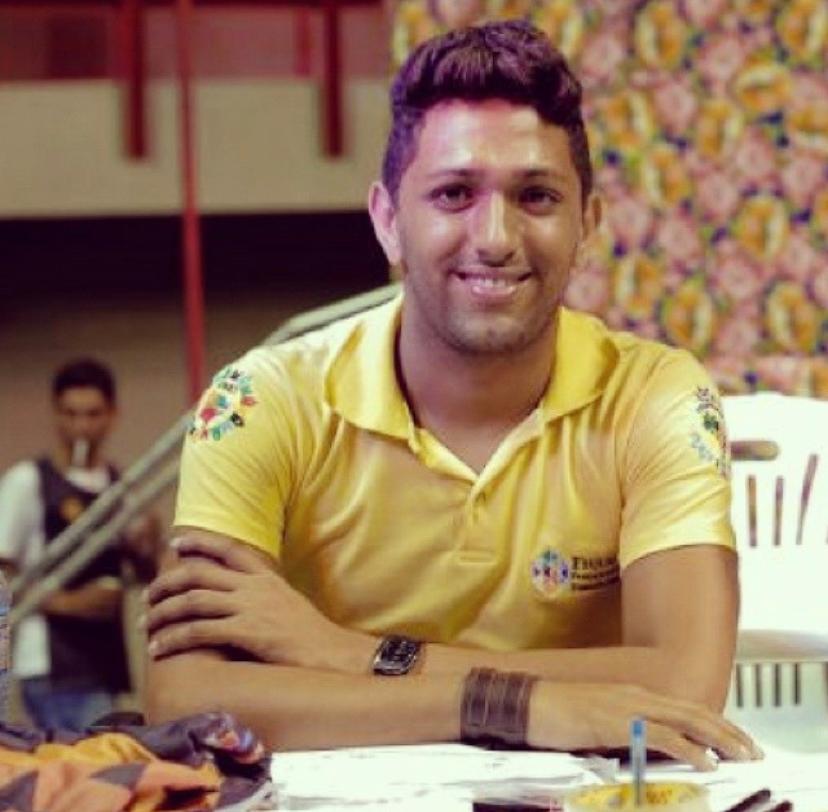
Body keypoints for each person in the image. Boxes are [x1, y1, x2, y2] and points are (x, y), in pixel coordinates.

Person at [144, 21, 760, 768]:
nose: (495, 236)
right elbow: (184, 696)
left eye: (536, 196)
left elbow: (685, 686)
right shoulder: (258, 401)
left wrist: (346, 652)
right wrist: (520, 707)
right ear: (388, 222)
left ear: (587, 225)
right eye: (454, 193)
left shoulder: (657, 397)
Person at [0, 359, 159, 730]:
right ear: (56, 414)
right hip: (52, 665)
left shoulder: (118, 487)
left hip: (104, 662)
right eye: (70, 414)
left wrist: (145, 546)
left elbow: (143, 573)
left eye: (92, 414)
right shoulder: (28, 481)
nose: (81, 426)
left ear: (112, 415)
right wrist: (71, 603)